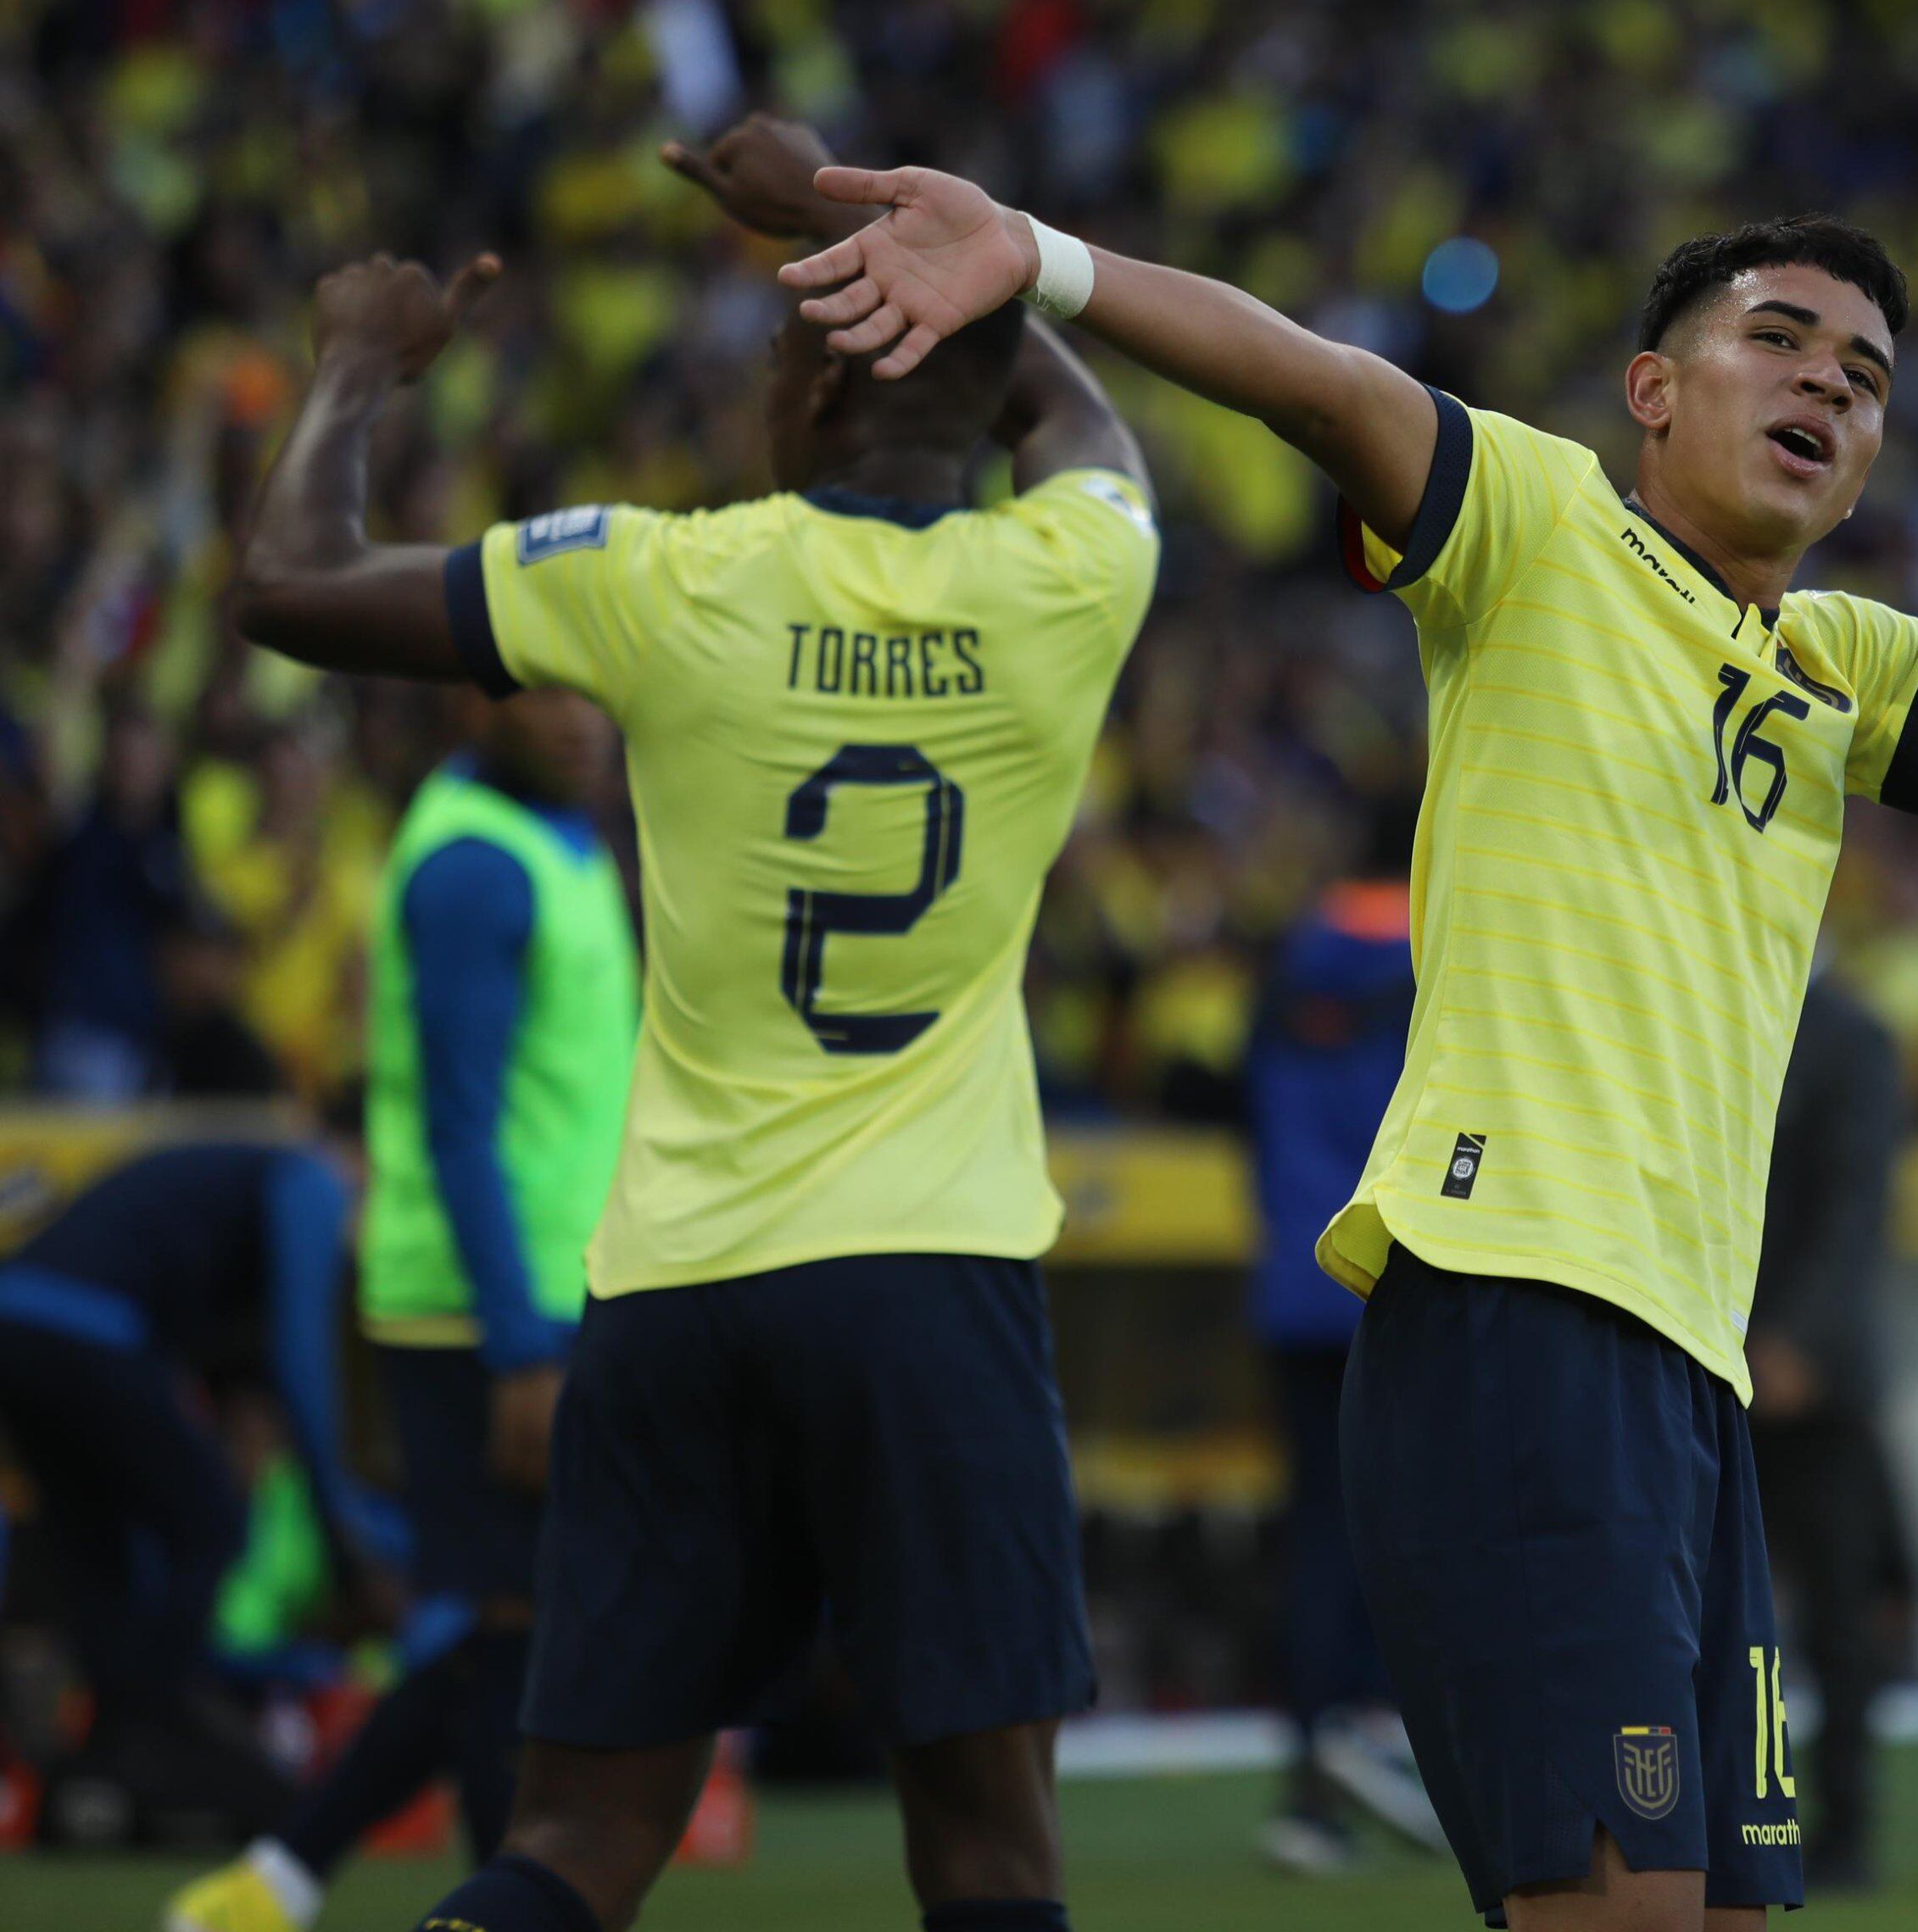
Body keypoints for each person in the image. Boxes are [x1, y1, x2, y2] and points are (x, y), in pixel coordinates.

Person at [780, 168, 1918, 1930]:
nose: (1825, 389)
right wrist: (1051, 263)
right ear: (1651, 391)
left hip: (1689, 1373)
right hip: (1516, 1316)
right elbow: (1313, 383)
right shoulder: (1540, 528)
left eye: (1862, 379)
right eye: (1776, 343)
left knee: (1723, 1915)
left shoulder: (1836, 663)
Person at [226, 114, 1155, 1932]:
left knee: (572, 1845)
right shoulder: (1074, 580)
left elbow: (284, 590)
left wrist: (350, 369)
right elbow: (1081, 427)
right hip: (931, 1278)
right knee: (985, 1858)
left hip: (677, 1291)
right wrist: (846, 222)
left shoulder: (662, 578)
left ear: (802, 412)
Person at [169, 688, 637, 1932]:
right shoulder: (477, 865)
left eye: (600, 687)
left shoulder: (565, 838)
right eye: (549, 692)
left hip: (556, 1287)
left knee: (512, 1631)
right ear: (478, 701)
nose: (586, 720)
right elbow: (459, 1119)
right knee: (511, 1626)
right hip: (485, 1309)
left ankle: (283, 1879)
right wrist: (521, 1343)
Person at [0, 1134, 397, 1846]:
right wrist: (347, 1541)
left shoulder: (221, 1187)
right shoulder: (309, 1174)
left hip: (17, 1325)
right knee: (209, 1523)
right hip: (89, 1329)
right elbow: (302, 1361)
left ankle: (105, 1762)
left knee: (99, 1547)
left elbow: (228, 1368)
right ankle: (159, 1722)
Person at [1237, 795, 1444, 1874]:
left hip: (1295, 1286)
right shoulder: (1438, 946)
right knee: (1423, 1538)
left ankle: (1309, 1794)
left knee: (1317, 1541)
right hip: (1401, 1282)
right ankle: (1402, 1756)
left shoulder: (1289, 965)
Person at [1744, 968, 1912, 1894]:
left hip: (1819, 1379)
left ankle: (1845, 1828)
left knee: (1839, 1619)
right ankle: (1739, 1810)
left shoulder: (1848, 1039)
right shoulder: (1719, 1006)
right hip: (1710, 1355)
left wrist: (1799, 1339)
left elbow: (1857, 1209)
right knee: (1718, 1618)